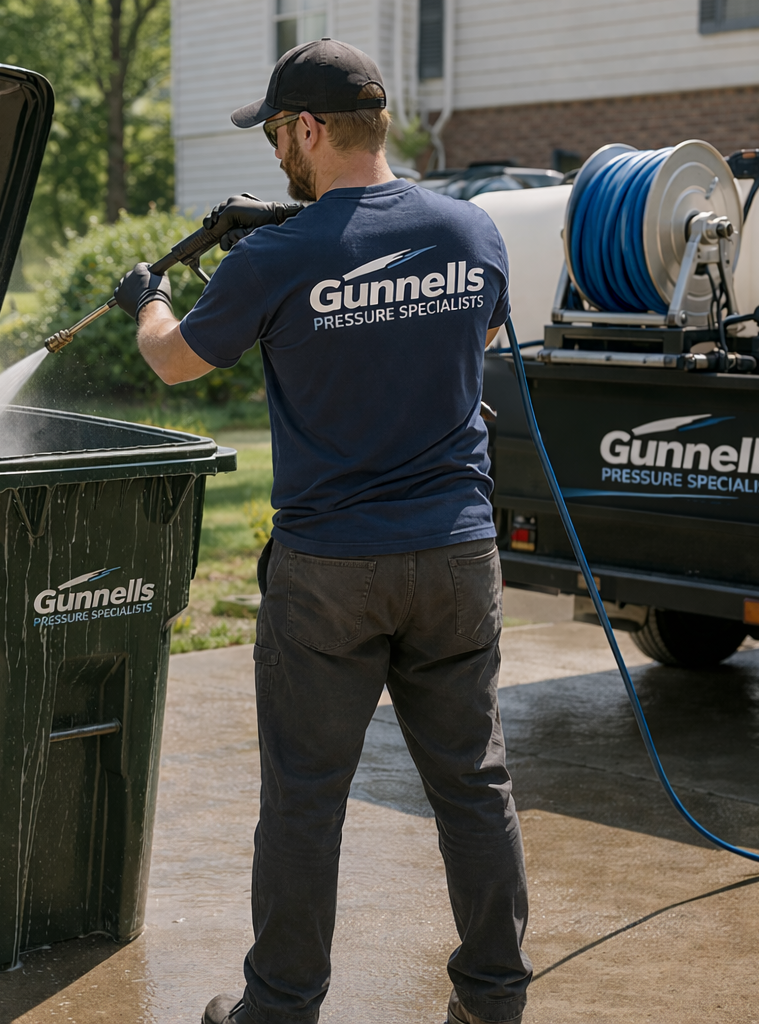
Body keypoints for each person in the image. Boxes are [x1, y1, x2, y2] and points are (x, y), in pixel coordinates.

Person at [113, 37, 532, 1024]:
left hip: (331, 572)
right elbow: (471, 339)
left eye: (274, 134)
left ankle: (280, 1009)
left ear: (307, 129)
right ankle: (493, 1001)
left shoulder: (278, 257)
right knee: (474, 785)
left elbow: (174, 361)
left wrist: (150, 298)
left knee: (306, 798)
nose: (274, 153)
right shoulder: (472, 230)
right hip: (457, 558)